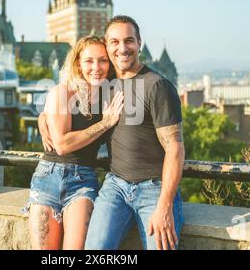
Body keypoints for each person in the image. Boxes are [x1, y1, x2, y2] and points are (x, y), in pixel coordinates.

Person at [40, 16, 185, 250]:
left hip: (153, 188)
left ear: (139, 43)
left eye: (129, 40)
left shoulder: (157, 85)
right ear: (107, 47)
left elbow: (175, 148)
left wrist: (165, 205)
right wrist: (44, 117)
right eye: (114, 42)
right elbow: (66, 99)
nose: (122, 48)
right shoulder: (104, 83)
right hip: (115, 186)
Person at [24, 35, 124, 250]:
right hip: (47, 178)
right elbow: (62, 145)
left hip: (83, 180)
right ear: (78, 62)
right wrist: (105, 123)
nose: (96, 67)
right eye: (89, 60)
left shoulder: (111, 96)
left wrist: (45, 117)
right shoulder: (63, 92)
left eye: (103, 60)